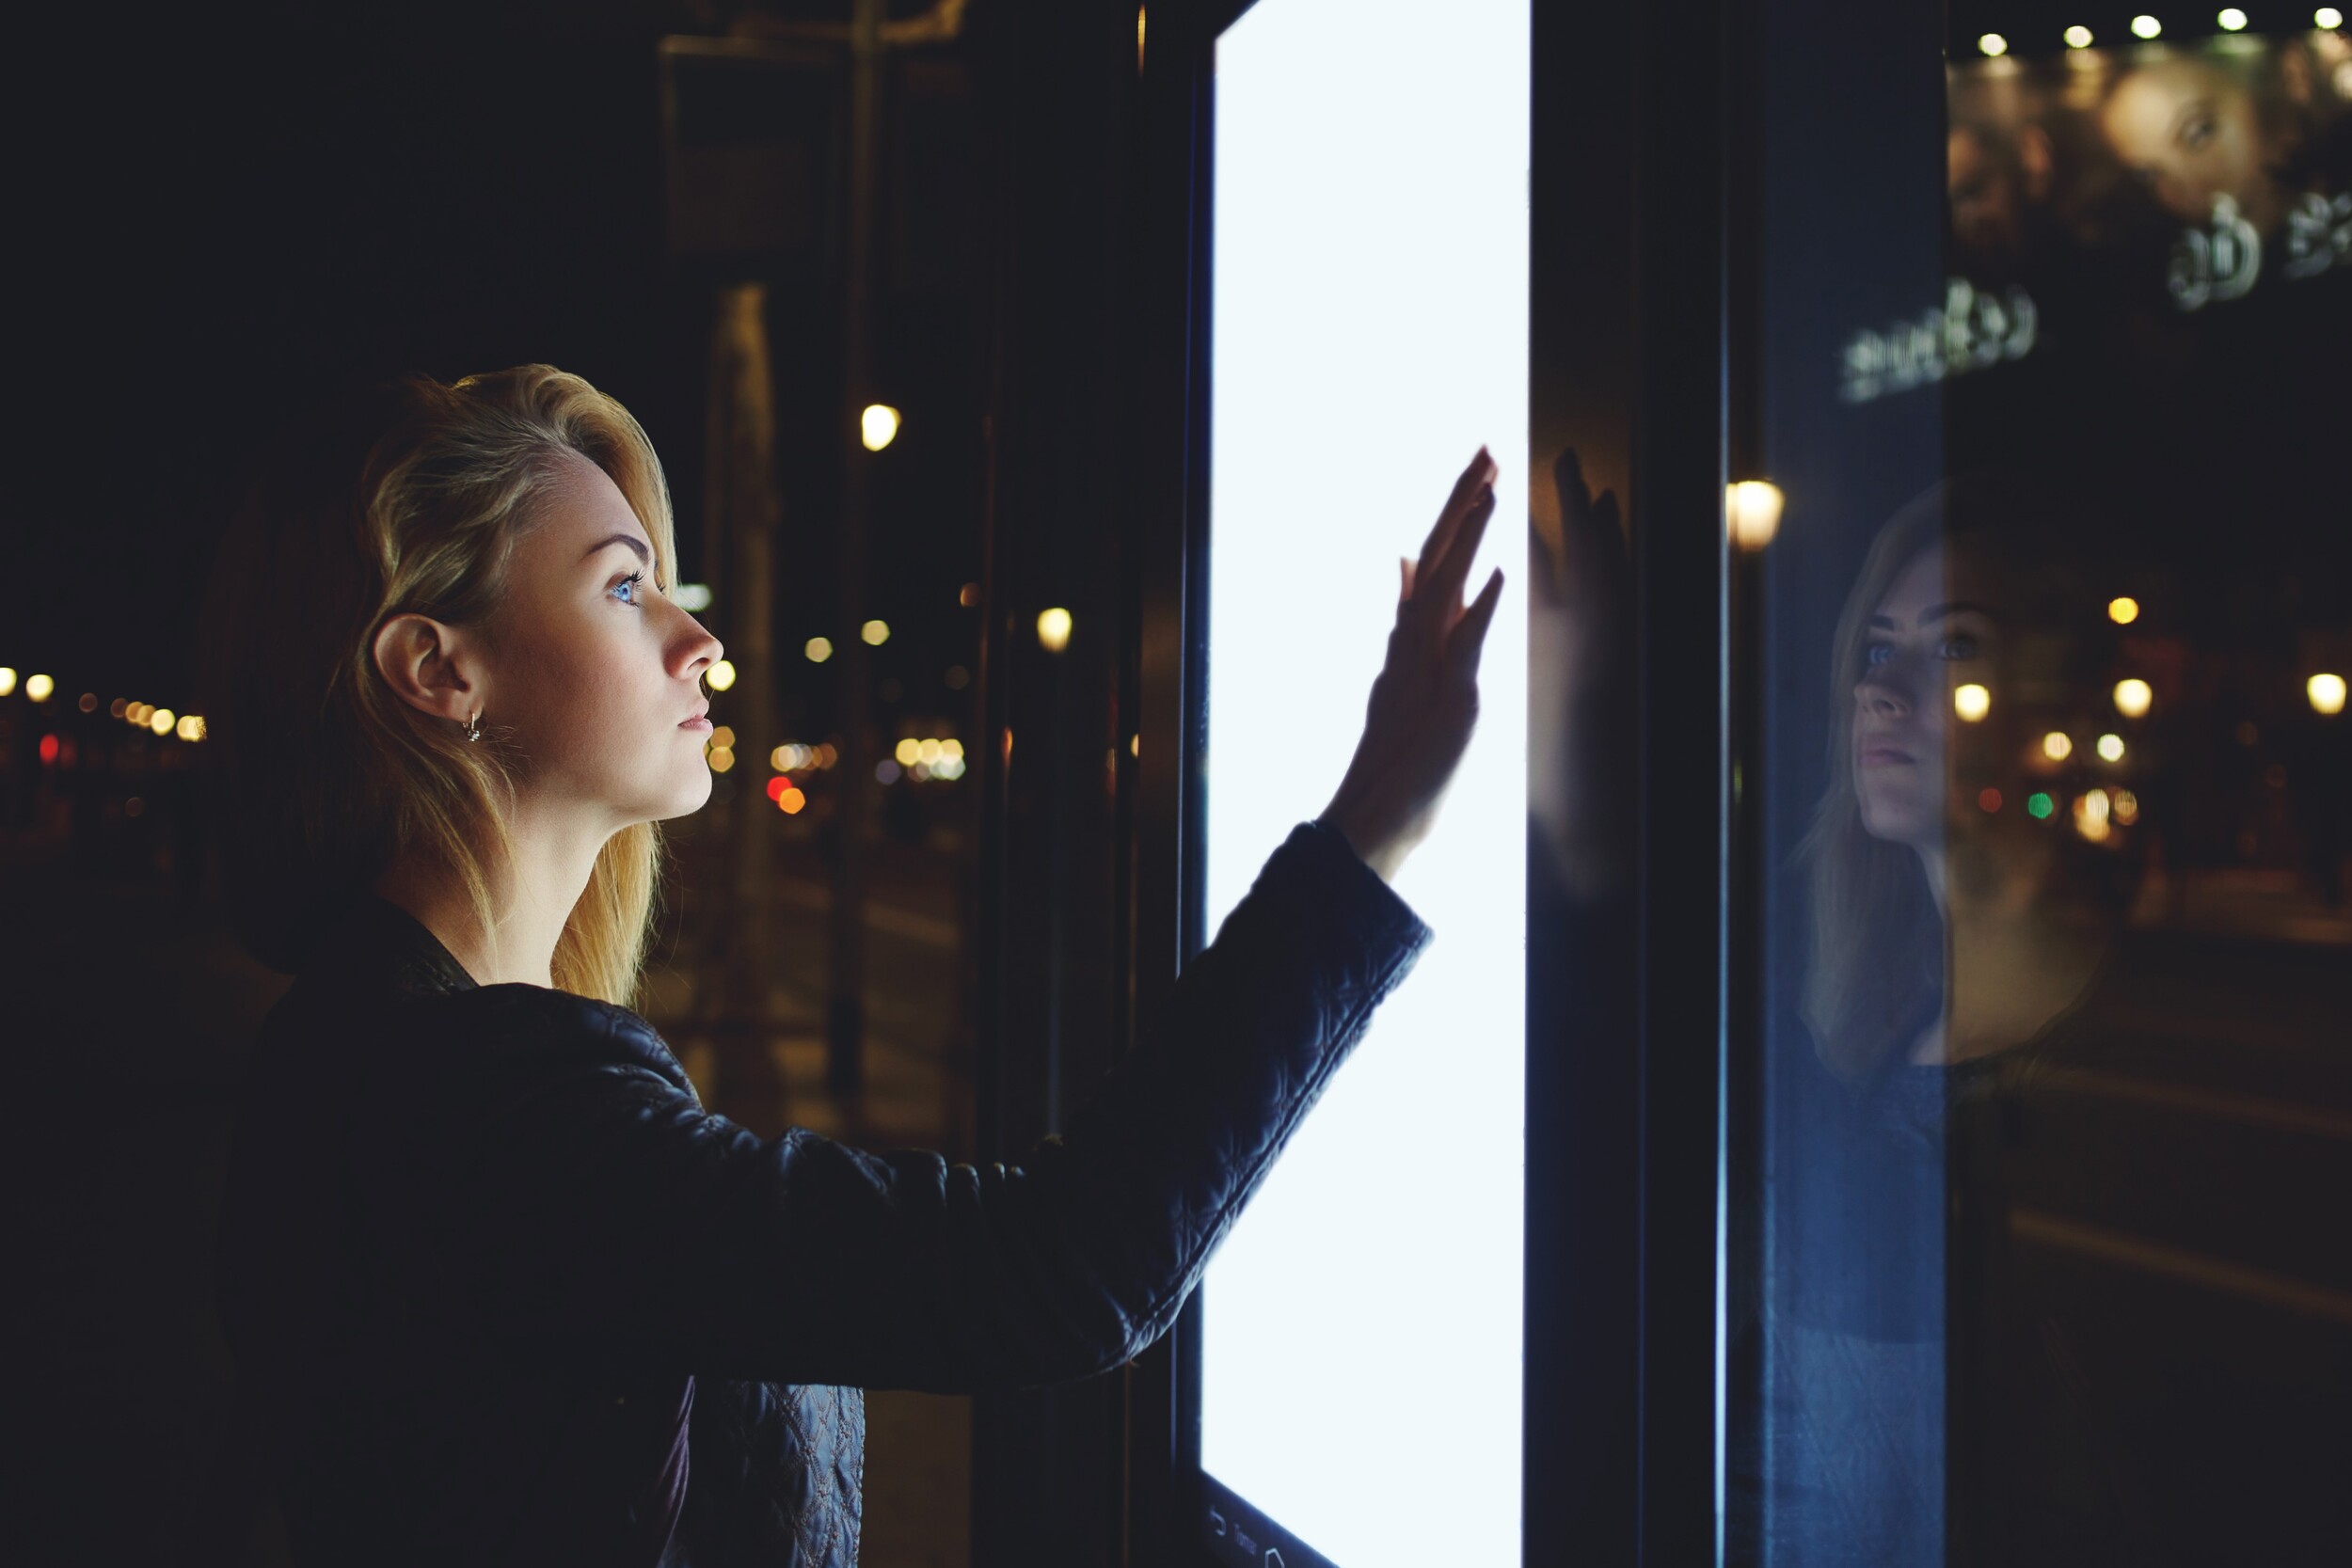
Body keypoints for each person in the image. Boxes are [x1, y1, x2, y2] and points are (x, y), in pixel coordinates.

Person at [194, 365, 1505, 1566]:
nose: (696, 640)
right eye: (619, 585)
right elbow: (1058, 1267)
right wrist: (1375, 827)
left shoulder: (381, 1056)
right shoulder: (483, 1110)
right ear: (438, 667)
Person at [1753, 477, 2155, 1567]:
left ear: (2048, 705)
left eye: (1949, 649)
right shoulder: (1853, 1018)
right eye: (1876, 646)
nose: (1882, 687)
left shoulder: (2105, 1066)